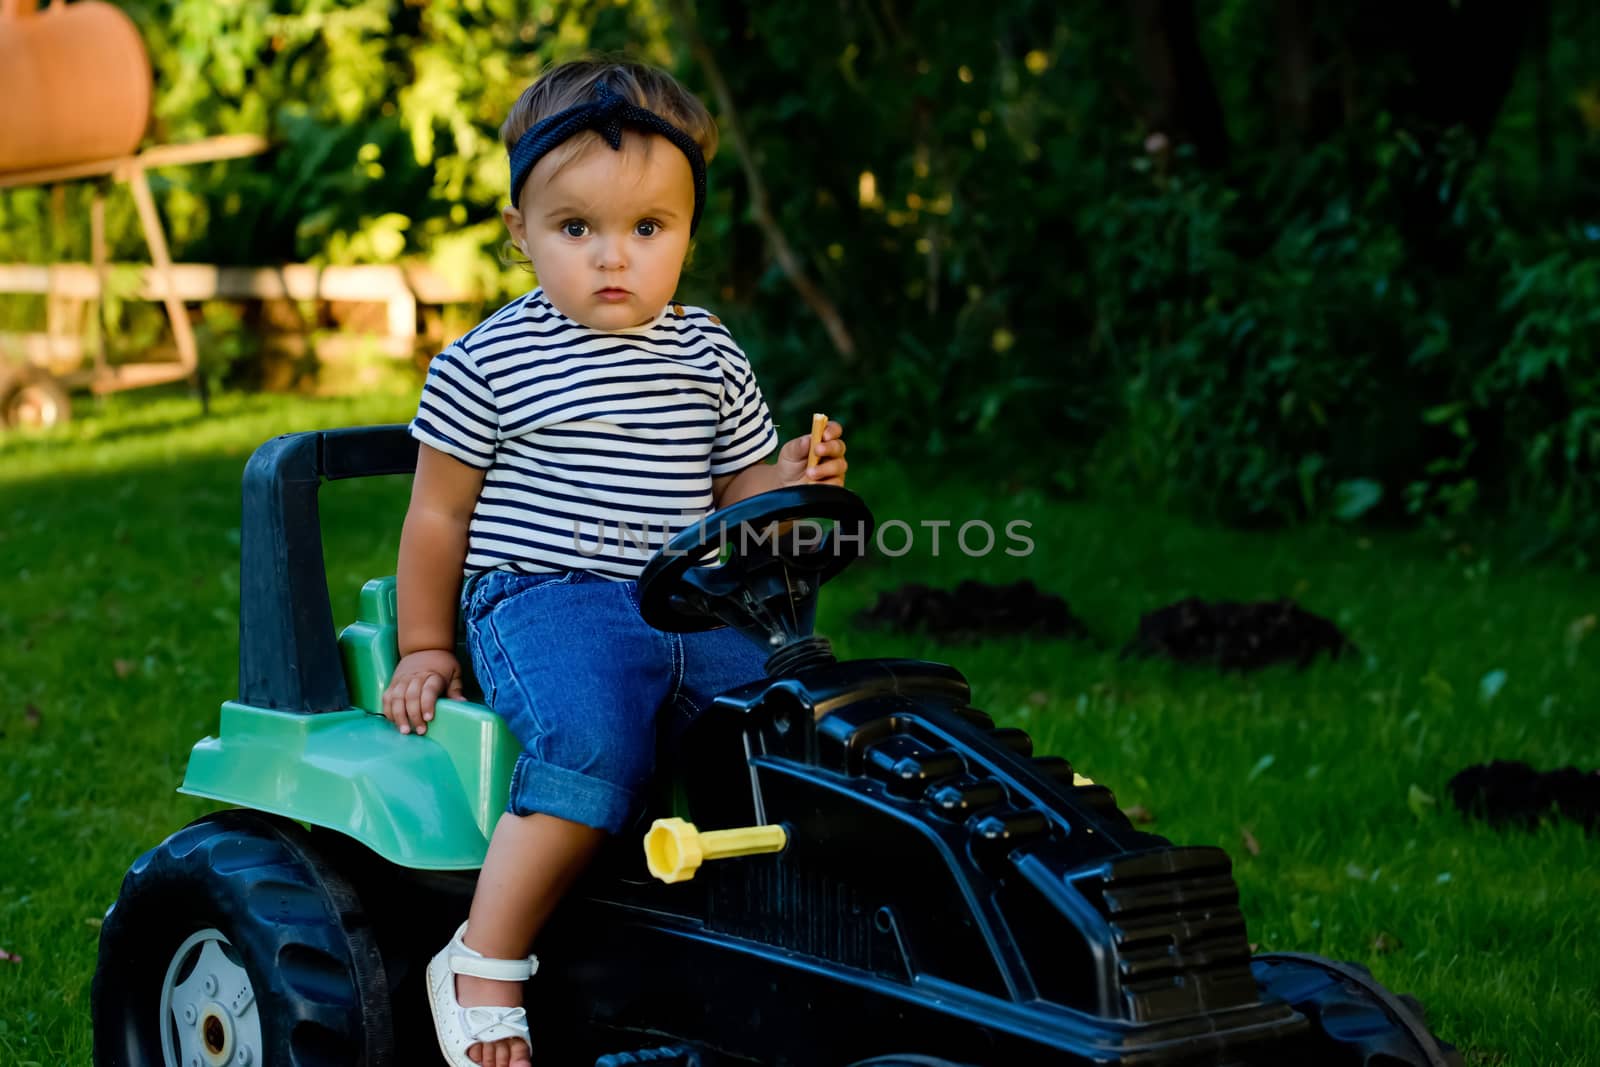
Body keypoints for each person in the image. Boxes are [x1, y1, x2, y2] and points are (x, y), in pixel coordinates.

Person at [379, 58, 848, 1067]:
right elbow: (435, 517)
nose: (612, 259)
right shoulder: (485, 362)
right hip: (545, 600)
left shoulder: (707, 351)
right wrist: (424, 643)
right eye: (575, 228)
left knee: (788, 722)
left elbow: (735, 495)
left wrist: (788, 472)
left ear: (686, 228)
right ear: (520, 230)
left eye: (647, 229)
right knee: (592, 743)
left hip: (686, 601)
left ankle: (779, 935)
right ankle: (482, 958)